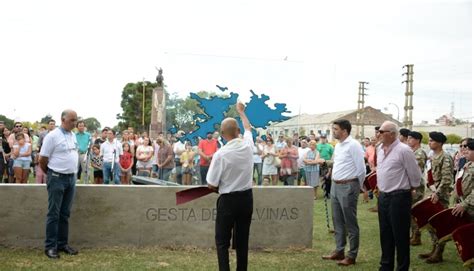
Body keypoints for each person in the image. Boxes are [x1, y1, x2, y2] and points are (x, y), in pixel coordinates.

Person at [207, 101, 254, 271]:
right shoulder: (248, 146)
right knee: (242, 240)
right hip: (246, 198)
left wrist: (218, 187)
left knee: (222, 241)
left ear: (221, 134)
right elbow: (248, 129)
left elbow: (211, 184)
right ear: (238, 131)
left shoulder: (221, 154)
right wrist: (241, 112)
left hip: (227, 200)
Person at [376, 121, 421, 271]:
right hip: (383, 197)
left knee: (400, 236)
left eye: (382, 131)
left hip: (399, 197)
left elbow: (415, 175)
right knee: (385, 234)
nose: (379, 134)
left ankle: (402, 268)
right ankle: (386, 266)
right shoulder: (379, 149)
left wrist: (410, 189)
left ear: (393, 134)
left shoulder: (404, 150)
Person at [322, 119, 365, 266]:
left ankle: (351, 255)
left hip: (349, 185)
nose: (333, 131)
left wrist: (358, 186)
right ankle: (339, 250)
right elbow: (337, 163)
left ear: (344, 131)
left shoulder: (354, 145)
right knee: (337, 220)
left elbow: (361, 169)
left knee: (350, 222)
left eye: (335, 129)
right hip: (335, 185)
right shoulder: (339, 145)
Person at [39, 109, 79, 259]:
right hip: (56, 178)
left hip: (71, 179)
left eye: (76, 120)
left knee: (65, 214)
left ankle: (62, 244)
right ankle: (50, 247)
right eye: (72, 120)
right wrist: (51, 174)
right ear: (63, 120)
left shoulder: (72, 135)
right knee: (53, 214)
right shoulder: (52, 136)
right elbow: (42, 159)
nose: (74, 123)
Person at [419, 131, 454, 263]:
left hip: (440, 196)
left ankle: (439, 252)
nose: (429, 142)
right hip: (431, 193)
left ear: (439, 142)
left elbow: (446, 179)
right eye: (429, 140)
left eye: (432, 140)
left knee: (439, 223)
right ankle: (434, 249)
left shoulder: (445, 157)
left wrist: (437, 193)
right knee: (430, 223)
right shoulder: (432, 156)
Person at [406, 131, 427, 246]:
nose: (408, 140)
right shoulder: (412, 152)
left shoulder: (419, 153)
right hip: (410, 185)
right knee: (410, 211)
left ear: (417, 140)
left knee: (414, 211)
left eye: (411, 138)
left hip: (417, 186)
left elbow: (416, 170)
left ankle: (417, 235)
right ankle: (413, 234)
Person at [452, 138, 474, 220]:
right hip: (462, 205)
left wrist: (464, 204)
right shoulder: (467, 165)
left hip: (470, 206)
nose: (465, 151)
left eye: (468, 149)